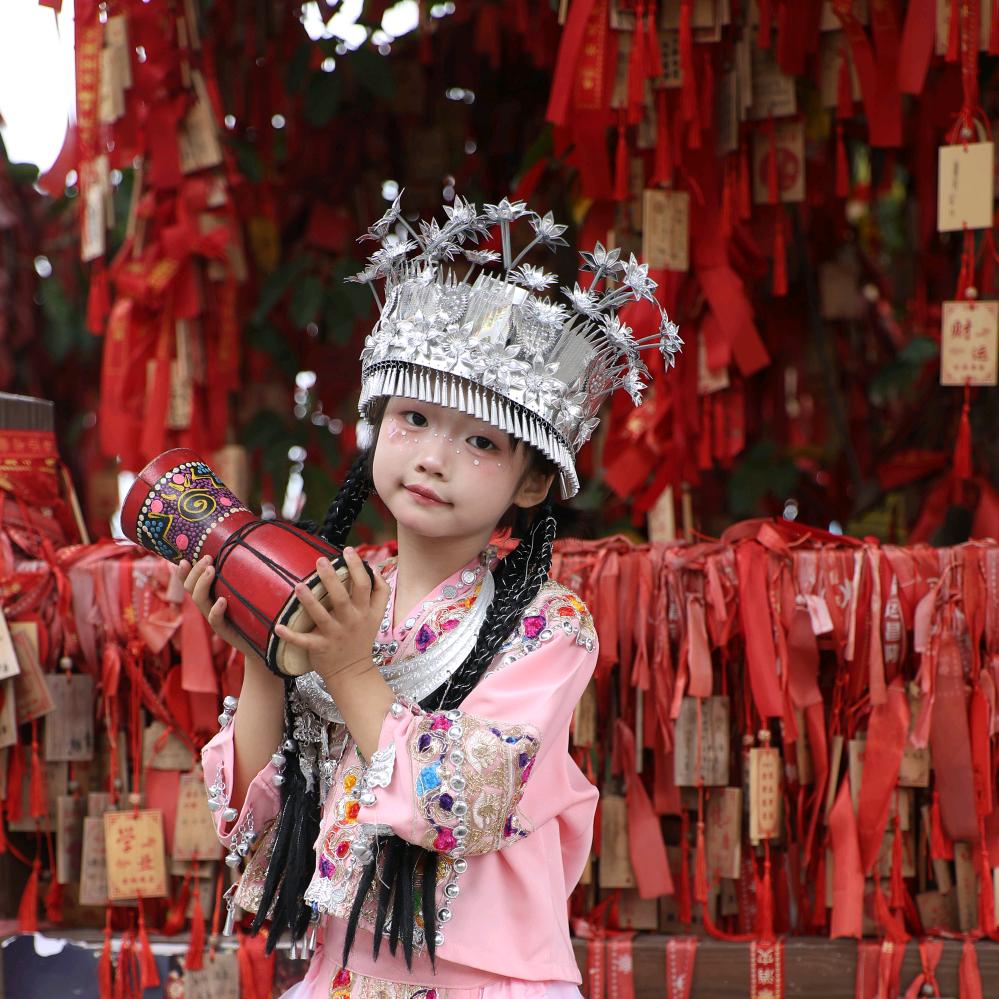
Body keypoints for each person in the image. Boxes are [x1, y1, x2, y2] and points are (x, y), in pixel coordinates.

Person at [181, 195, 681, 999]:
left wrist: (348, 668)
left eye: (479, 439)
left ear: (534, 481)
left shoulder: (550, 626)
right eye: (413, 417)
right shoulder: (344, 591)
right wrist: (261, 663)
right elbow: (254, 819)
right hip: (340, 977)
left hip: (486, 984)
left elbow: (465, 803)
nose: (433, 458)